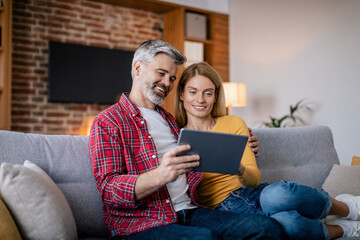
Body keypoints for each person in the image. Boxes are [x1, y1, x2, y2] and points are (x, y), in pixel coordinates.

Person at [88, 39, 285, 239]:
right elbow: (108, 190)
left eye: (172, 78)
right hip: (143, 221)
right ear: (138, 68)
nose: (167, 83)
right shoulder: (108, 122)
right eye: (161, 73)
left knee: (266, 227)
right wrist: (161, 175)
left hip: (191, 210)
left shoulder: (170, 121)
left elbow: (204, 147)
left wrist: (241, 143)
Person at [174, 61, 360, 239]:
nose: (200, 99)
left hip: (250, 193)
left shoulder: (233, 123)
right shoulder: (174, 136)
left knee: (278, 193)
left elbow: (254, 180)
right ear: (181, 94)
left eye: (208, 93)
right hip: (220, 212)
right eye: (193, 92)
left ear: (215, 96)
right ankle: (343, 229)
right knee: (287, 226)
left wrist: (239, 168)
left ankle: (346, 207)